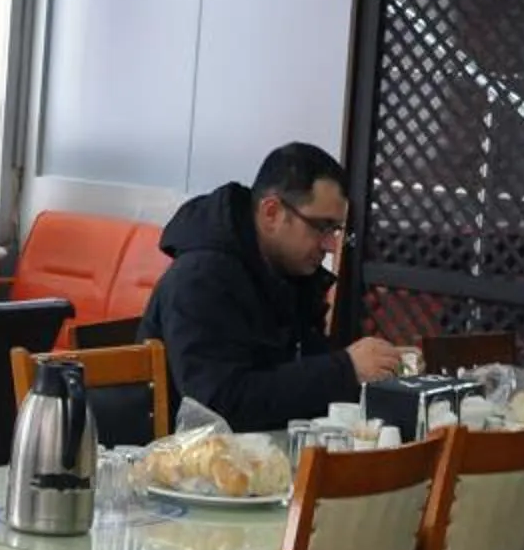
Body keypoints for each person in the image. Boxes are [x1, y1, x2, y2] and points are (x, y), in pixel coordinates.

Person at [141, 142, 404, 431]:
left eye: (336, 230)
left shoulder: (288, 271)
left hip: (261, 453)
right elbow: (218, 404)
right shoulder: (200, 278)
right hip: (183, 462)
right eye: (321, 227)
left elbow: (302, 368)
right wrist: (346, 369)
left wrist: (375, 367)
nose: (330, 246)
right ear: (271, 213)